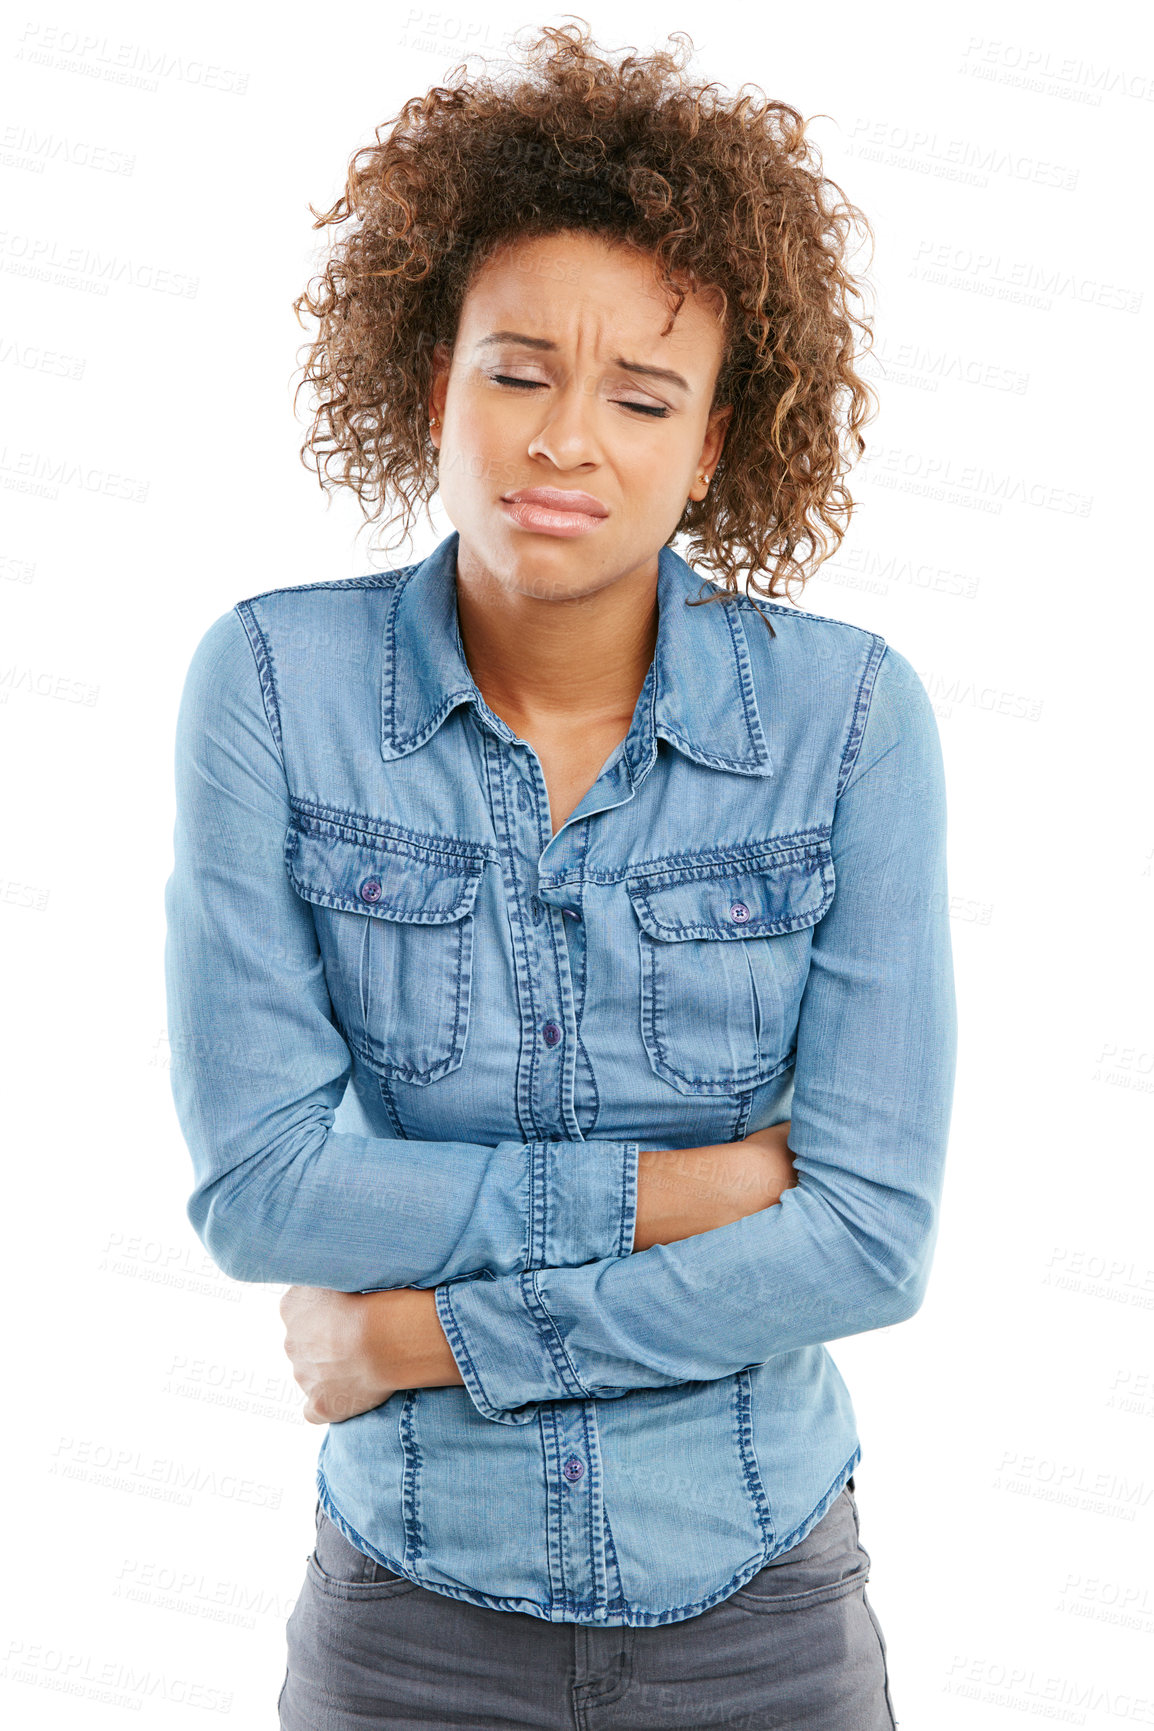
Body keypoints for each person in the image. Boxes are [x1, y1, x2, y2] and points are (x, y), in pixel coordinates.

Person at [163, 21, 956, 1729]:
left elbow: (869, 1243)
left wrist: (429, 1338)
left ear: (717, 440)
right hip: (408, 1622)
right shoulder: (276, 689)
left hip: (761, 1614)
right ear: (426, 376)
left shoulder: (852, 720)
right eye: (515, 369)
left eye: (641, 394)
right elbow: (265, 1195)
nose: (563, 440)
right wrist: (689, 1190)